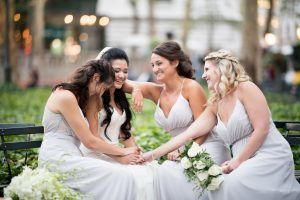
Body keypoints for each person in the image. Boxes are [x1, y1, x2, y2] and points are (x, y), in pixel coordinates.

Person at [142, 49, 300, 200]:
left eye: (207, 69)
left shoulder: (246, 88)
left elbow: (262, 129)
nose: (203, 75)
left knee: (229, 184)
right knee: (215, 185)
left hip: (267, 155)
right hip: (241, 161)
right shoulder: (215, 103)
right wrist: (151, 155)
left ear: (221, 69)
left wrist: (237, 162)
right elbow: (188, 134)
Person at [125, 41, 231, 200]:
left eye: (159, 63)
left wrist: (186, 150)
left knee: (172, 172)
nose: (155, 69)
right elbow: (120, 83)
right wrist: (136, 89)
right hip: (177, 149)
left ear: (174, 62)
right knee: (164, 171)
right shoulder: (157, 91)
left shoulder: (191, 88)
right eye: (152, 65)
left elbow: (204, 128)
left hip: (204, 144)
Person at [38, 59, 140, 200]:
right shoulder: (65, 96)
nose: (103, 92)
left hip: (73, 156)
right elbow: (90, 142)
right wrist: (124, 151)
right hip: (57, 159)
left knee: (123, 175)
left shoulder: (77, 97)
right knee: (121, 176)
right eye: (104, 87)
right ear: (96, 78)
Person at [80, 47, 158, 200]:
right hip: (97, 154)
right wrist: (121, 157)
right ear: (104, 69)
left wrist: (136, 152)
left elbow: (124, 133)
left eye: (125, 71)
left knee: (149, 169)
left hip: (117, 153)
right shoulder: (95, 98)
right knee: (131, 176)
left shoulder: (119, 96)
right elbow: (93, 138)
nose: (122, 75)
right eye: (116, 71)